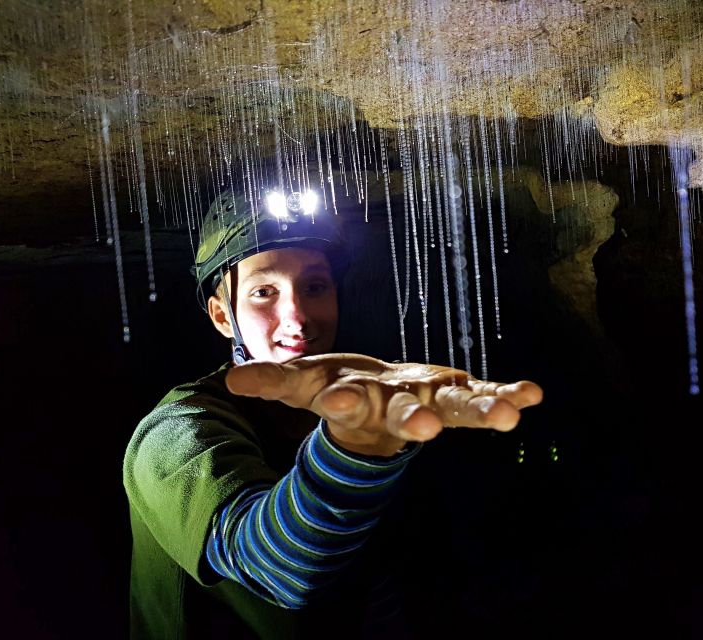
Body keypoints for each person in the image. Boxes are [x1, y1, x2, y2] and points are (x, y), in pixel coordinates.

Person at [123, 185, 543, 639]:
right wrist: (355, 451)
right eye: (264, 291)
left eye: (315, 286)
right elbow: (275, 568)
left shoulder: (368, 400)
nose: (298, 316)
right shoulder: (175, 433)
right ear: (223, 317)